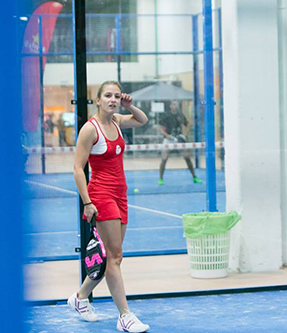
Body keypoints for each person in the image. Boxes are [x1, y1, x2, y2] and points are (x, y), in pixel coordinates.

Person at [69, 81, 150, 332]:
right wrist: (87, 202)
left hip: (120, 195)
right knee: (114, 257)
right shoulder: (90, 130)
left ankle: (80, 298)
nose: (113, 100)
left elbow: (142, 120)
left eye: (117, 96)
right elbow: (77, 169)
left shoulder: (117, 121)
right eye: (108, 96)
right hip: (100, 195)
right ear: (98, 100)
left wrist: (130, 106)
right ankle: (124, 316)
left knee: (111, 257)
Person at [157, 100, 202, 185]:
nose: (176, 106)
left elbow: (188, 124)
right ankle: (160, 179)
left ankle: (194, 177)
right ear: (170, 106)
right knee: (164, 159)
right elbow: (159, 127)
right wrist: (167, 135)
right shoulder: (166, 115)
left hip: (179, 140)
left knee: (187, 158)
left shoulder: (180, 115)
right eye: (174, 104)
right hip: (168, 139)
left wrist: (184, 135)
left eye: (177, 104)